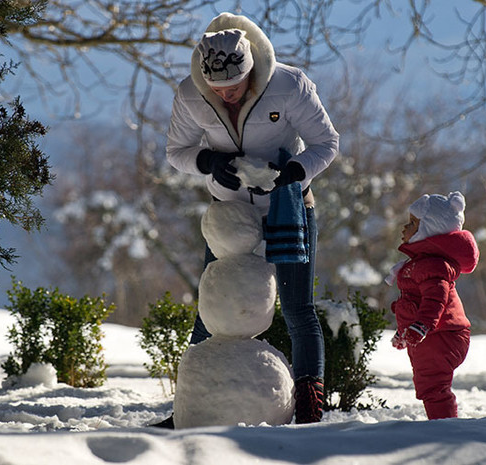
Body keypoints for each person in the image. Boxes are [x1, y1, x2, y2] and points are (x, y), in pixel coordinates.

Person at [162, 12, 339, 426]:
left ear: (252, 70)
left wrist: (295, 172)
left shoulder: (290, 84)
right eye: (217, 88)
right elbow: (177, 152)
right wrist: (208, 161)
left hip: (289, 205)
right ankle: (187, 409)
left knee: (298, 308)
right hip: (230, 213)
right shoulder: (190, 94)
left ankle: (311, 410)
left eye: (234, 86)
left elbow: (326, 143)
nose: (226, 95)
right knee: (213, 309)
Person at [385, 191, 479, 419]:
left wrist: (421, 327)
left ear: (428, 229)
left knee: (432, 386)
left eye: (412, 223)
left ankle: (444, 429)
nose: (404, 228)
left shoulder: (433, 265)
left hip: (442, 335)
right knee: (428, 385)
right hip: (434, 335)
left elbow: (435, 299)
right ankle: (441, 425)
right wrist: (404, 332)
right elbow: (413, 302)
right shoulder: (422, 262)